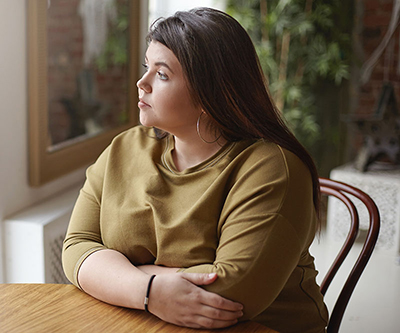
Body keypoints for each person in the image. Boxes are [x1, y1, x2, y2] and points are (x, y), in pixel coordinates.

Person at [62, 7, 328, 333]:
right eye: (147, 67)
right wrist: (149, 292)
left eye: (161, 74)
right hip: (145, 322)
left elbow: (231, 293)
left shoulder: (273, 169)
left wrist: (117, 273)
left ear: (210, 92)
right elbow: (76, 246)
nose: (141, 83)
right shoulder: (126, 148)